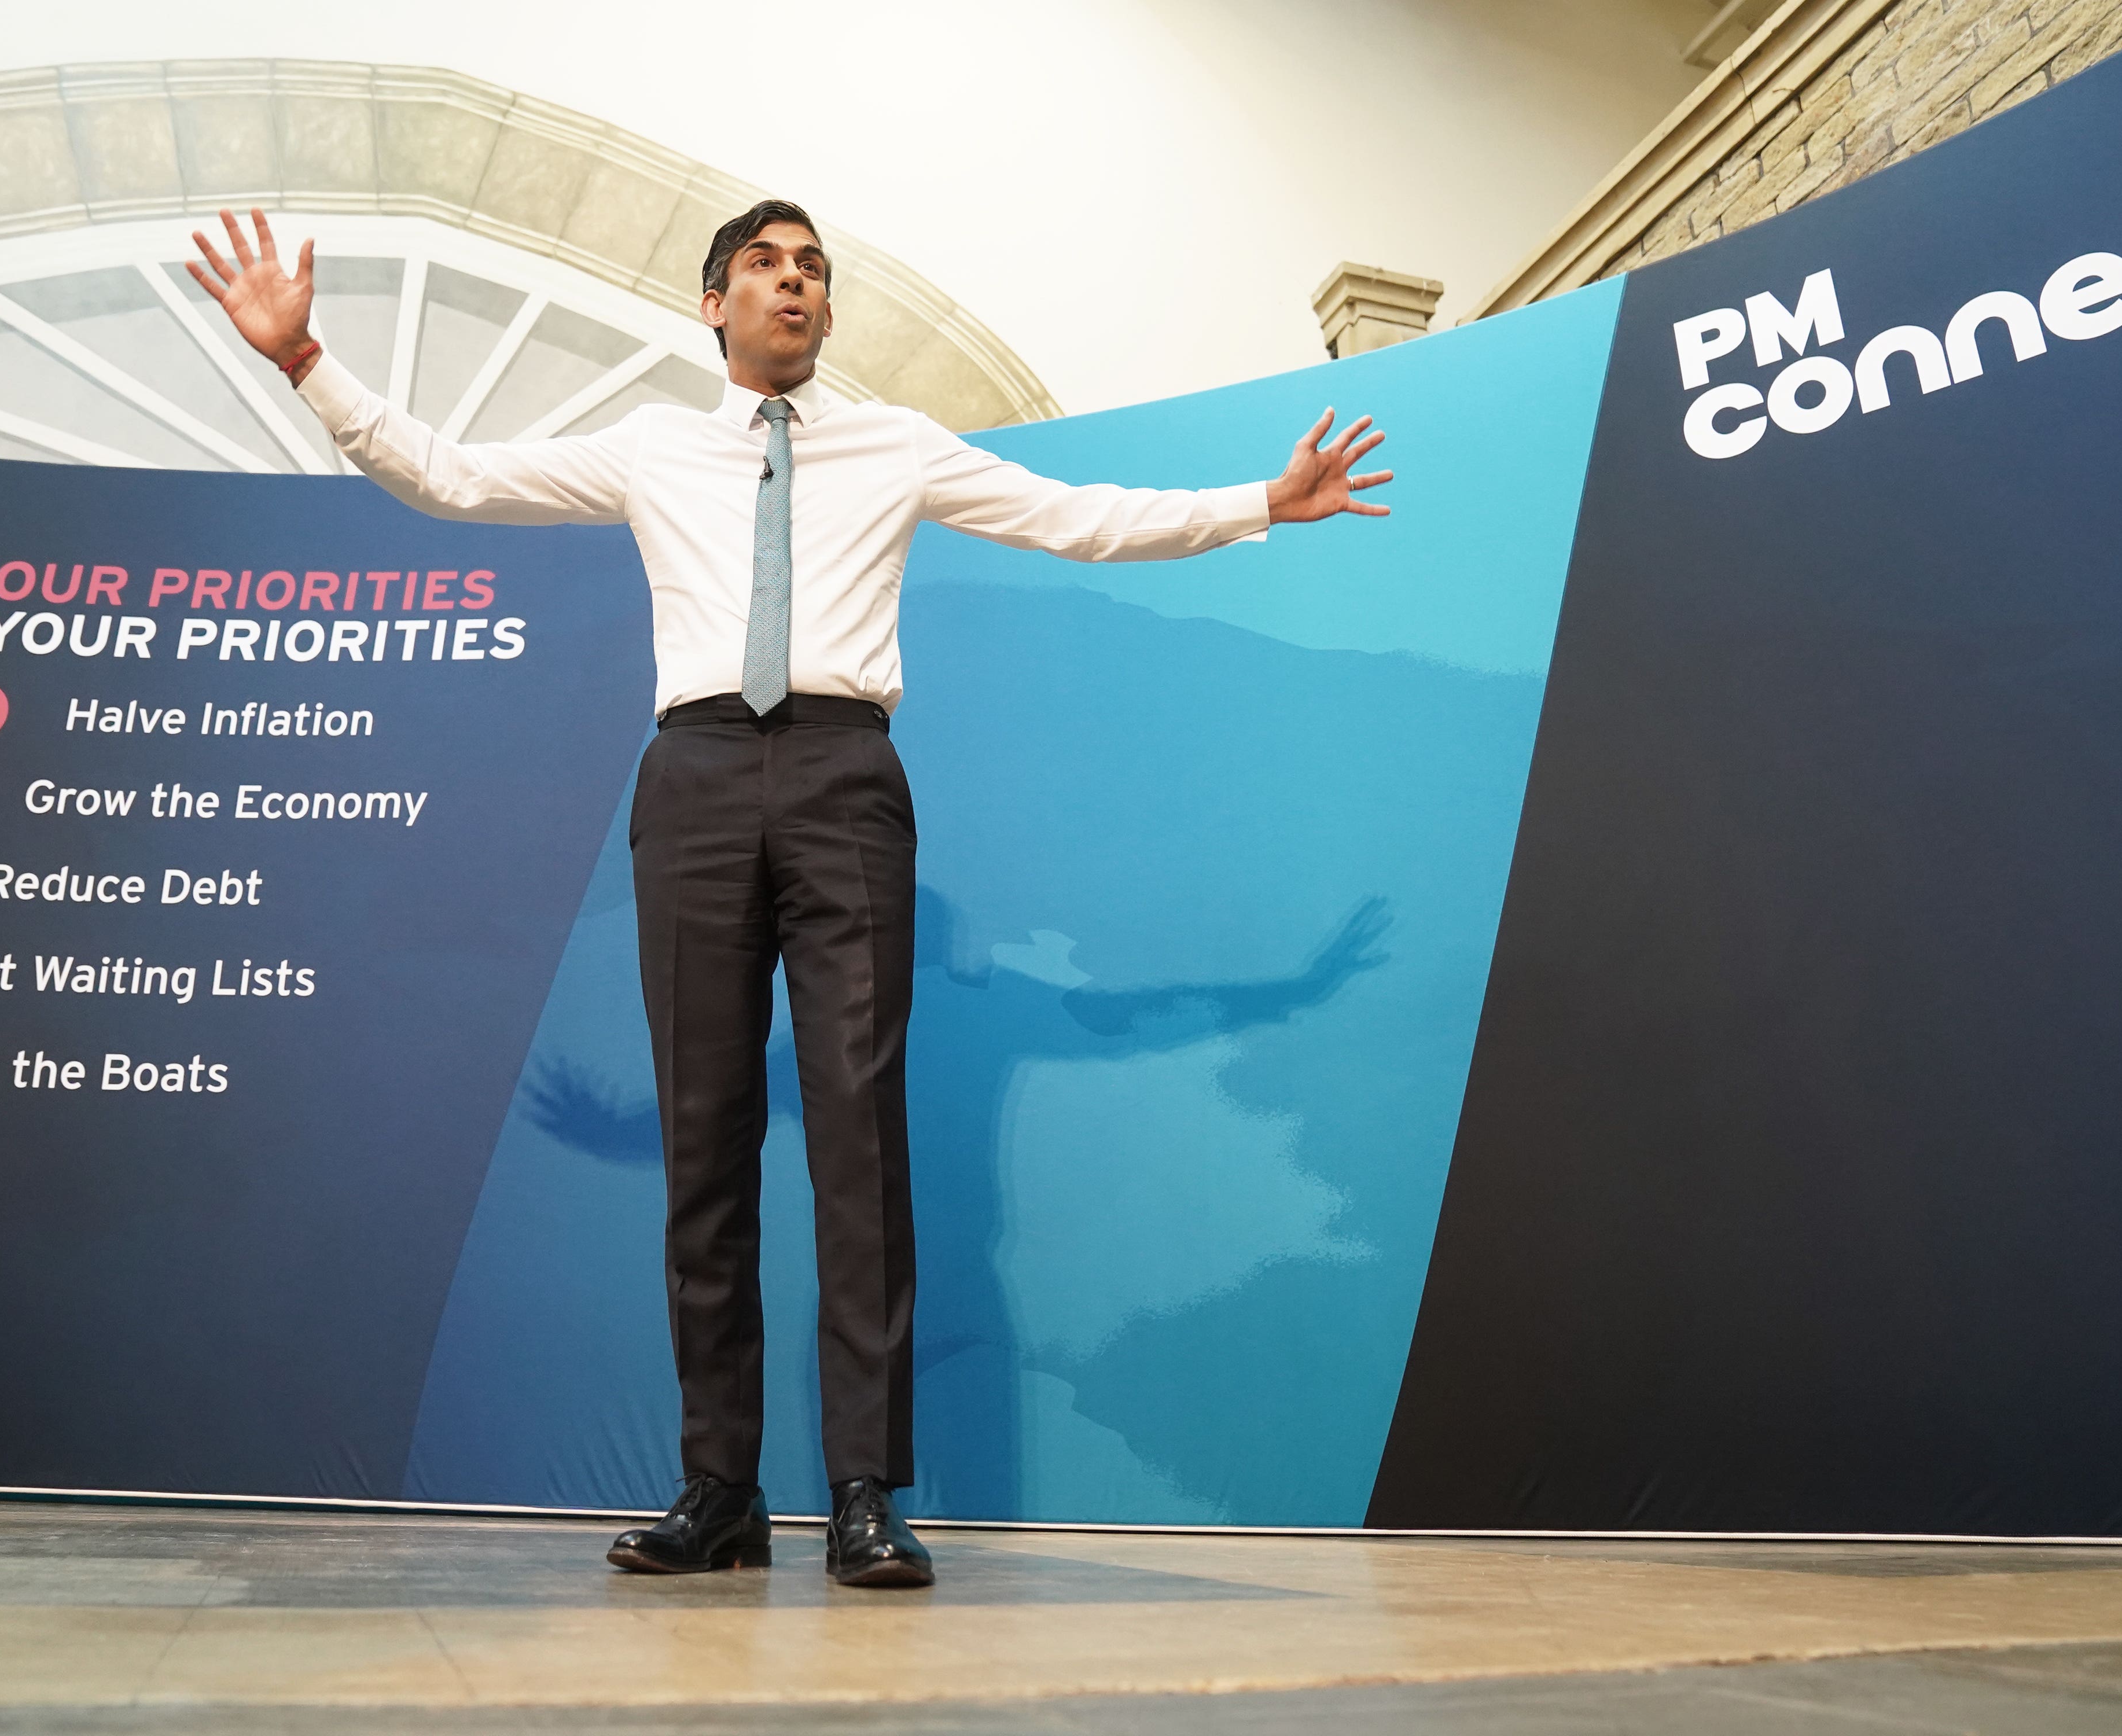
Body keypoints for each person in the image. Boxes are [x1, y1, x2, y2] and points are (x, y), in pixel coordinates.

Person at [187, 200, 1393, 1588]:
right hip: (694, 776)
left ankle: (869, 1494)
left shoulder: (895, 444)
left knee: (859, 1144)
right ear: (714, 305)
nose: (795, 284)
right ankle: (720, 1492)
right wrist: (305, 363)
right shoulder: (651, 445)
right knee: (705, 1144)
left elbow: (1076, 520)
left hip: (845, 777)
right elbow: (455, 479)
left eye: (813, 268)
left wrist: (1260, 504)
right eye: (765, 265)